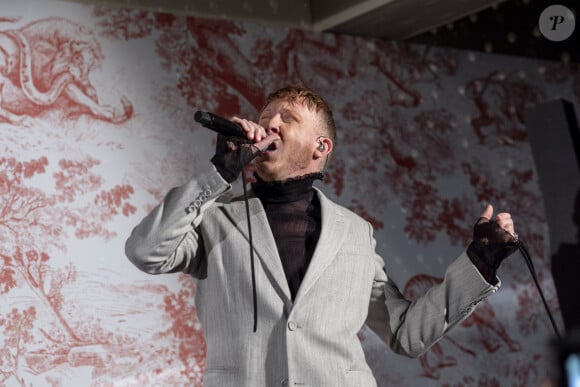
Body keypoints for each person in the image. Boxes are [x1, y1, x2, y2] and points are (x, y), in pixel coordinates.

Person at [125, 85, 519, 387]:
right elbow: (147, 251)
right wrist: (218, 173)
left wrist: (480, 263)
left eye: (288, 118)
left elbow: (405, 334)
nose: (269, 124)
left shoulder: (355, 233)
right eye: (267, 116)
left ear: (321, 146)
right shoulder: (214, 220)